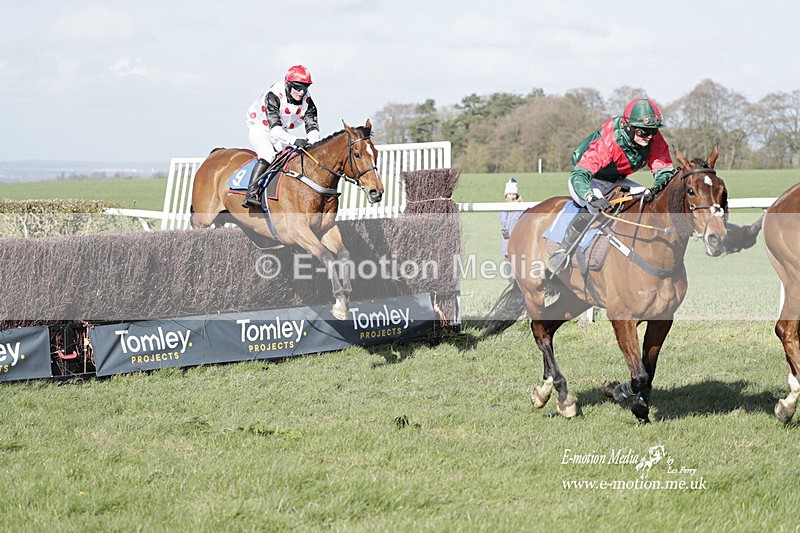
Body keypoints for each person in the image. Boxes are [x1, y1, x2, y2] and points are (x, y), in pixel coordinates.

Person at [548, 98, 677, 273]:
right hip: (588, 180)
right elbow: (580, 174)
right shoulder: (609, 142)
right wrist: (591, 197)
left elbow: (664, 169)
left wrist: (658, 188)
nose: (648, 137)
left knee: (648, 198)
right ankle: (563, 250)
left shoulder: (653, 139)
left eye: (652, 132)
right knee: (595, 207)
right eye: (643, 132)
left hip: (616, 180)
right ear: (628, 127)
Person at [242, 65, 321, 208]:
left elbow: (312, 126)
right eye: (298, 87)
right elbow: (275, 129)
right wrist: (296, 140)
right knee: (268, 155)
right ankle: (251, 193)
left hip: (281, 131)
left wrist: (315, 144)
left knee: (293, 155)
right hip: (261, 128)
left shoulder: (308, 100)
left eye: (305, 88)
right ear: (289, 84)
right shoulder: (273, 95)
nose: (301, 92)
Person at [500, 178, 524, 260]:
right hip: (506, 248)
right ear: (506, 195)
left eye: (514, 194)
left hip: (518, 248)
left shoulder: (521, 209)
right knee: (508, 271)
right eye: (510, 194)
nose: (512, 197)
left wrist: (521, 204)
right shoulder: (502, 209)